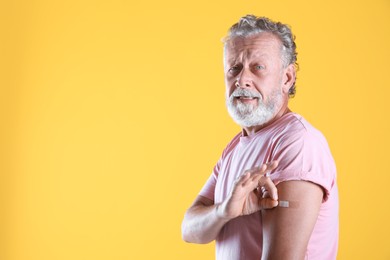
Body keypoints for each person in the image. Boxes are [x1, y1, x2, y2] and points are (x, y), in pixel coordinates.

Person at [181, 15, 339, 260]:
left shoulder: (297, 143)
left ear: (287, 78)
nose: (242, 79)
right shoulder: (236, 146)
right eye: (234, 68)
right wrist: (224, 211)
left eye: (258, 67)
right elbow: (189, 229)